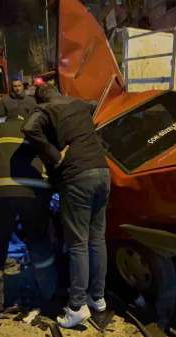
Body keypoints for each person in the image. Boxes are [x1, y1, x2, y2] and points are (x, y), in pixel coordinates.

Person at [22, 85, 110, 328]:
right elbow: (97, 104)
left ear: (40, 99)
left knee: (78, 244)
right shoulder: (80, 104)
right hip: (103, 171)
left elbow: (29, 128)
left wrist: (54, 155)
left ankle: (76, 306)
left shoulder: (46, 108)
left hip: (77, 176)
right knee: (97, 239)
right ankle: (98, 298)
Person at [0, 101, 57, 319]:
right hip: (34, 194)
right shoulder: (39, 133)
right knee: (39, 243)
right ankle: (49, 297)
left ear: (5, 117)